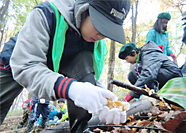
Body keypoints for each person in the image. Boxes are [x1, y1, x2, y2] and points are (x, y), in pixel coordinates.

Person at [0, 0, 131, 132]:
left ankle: (80, 129)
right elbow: (26, 66)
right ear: (85, 9)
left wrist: (105, 102)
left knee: (84, 58)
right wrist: (71, 89)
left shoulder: (93, 40)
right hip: (15, 64)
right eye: (101, 24)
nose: (102, 35)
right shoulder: (46, 14)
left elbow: (88, 77)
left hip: (59, 65)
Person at [118, 41, 183, 102]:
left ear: (134, 52)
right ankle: (149, 95)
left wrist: (131, 93)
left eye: (127, 58)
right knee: (131, 75)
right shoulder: (143, 58)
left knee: (137, 68)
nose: (128, 61)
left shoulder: (149, 53)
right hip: (164, 77)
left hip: (174, 78)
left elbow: (149, 74)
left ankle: (155, 96)